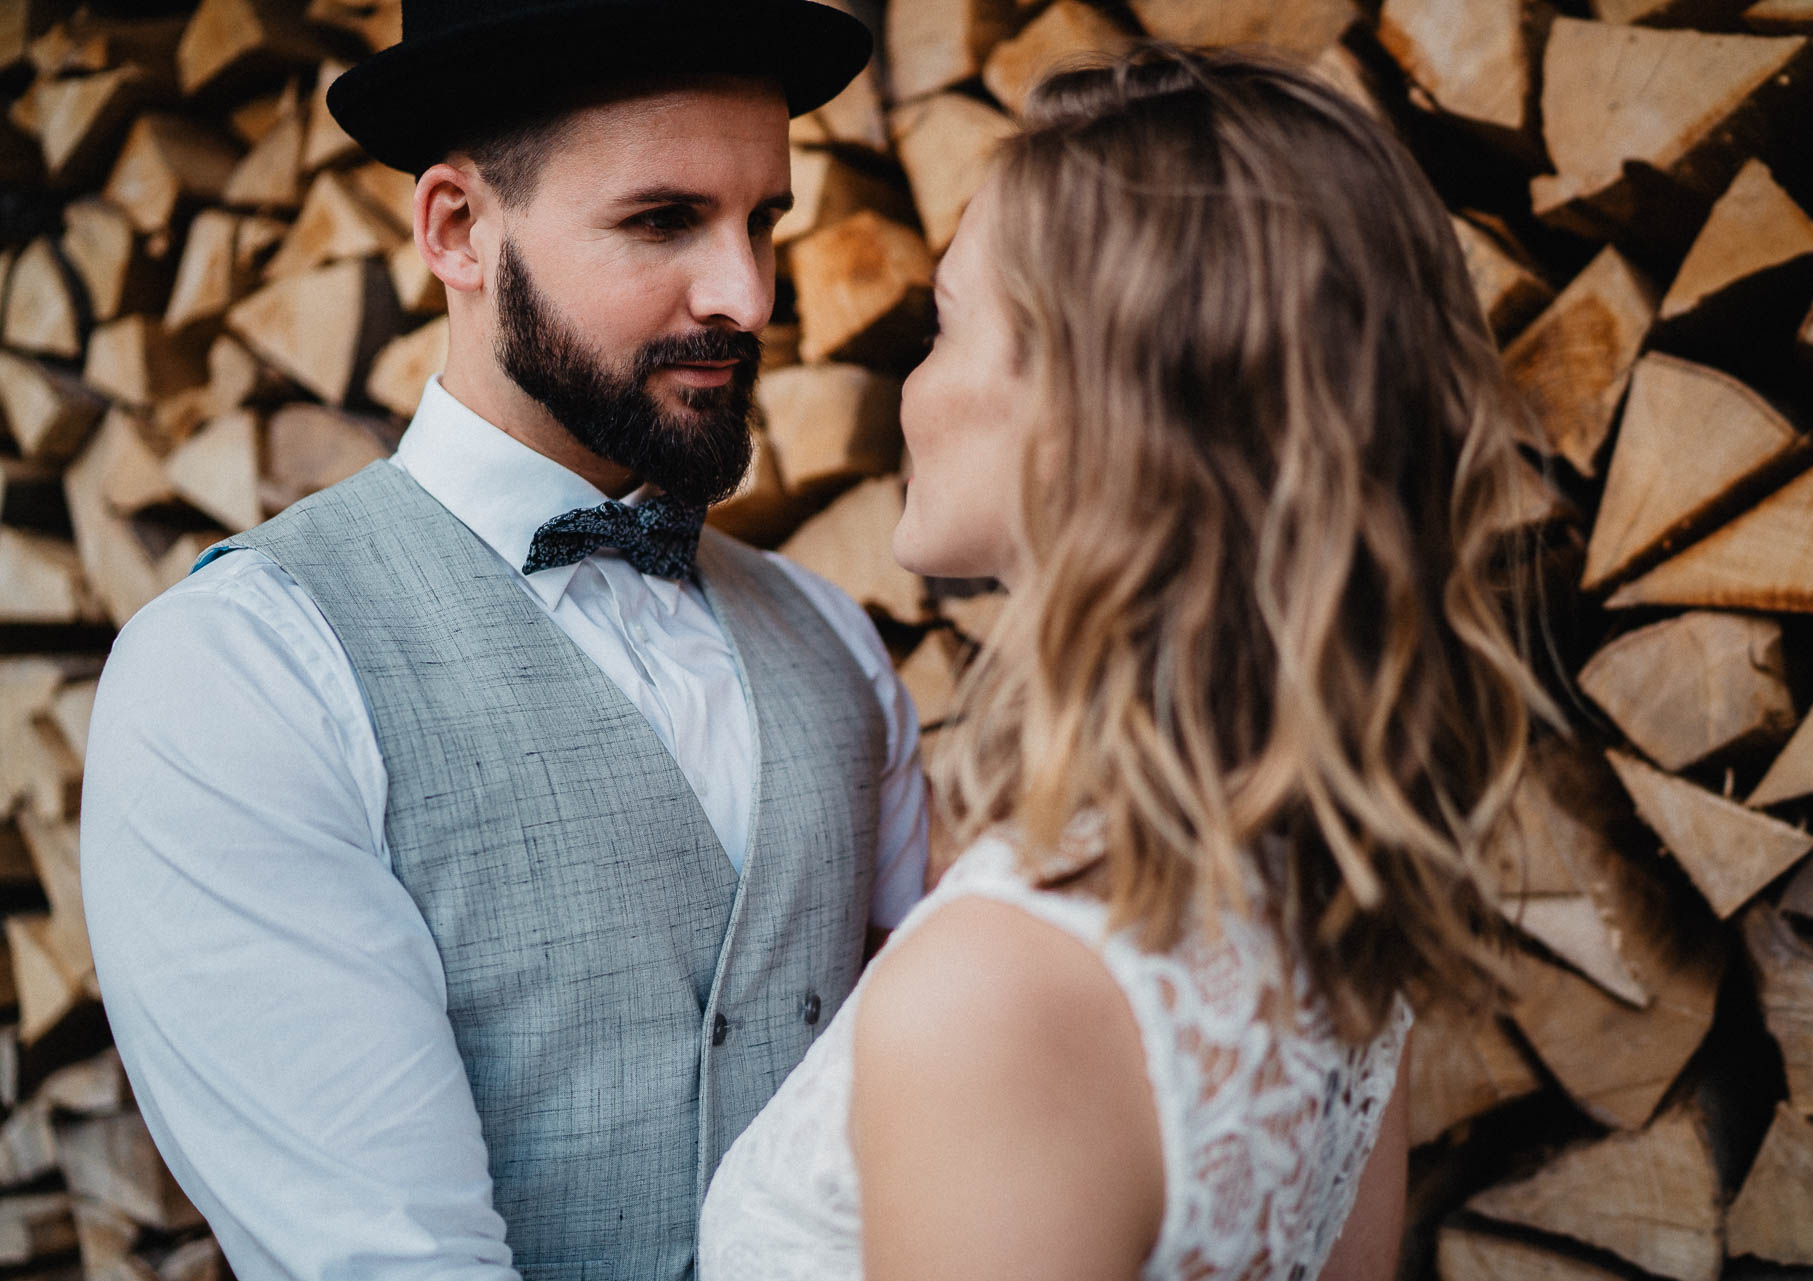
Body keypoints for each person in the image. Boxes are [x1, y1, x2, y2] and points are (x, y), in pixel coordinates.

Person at [78, 2, 928, 1277]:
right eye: (662, 221)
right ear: (459, 231)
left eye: (765, 221)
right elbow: (382, 1258)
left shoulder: (836, 641)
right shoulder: (243, 675)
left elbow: (932, 1122)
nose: (747, 296)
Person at [700, 46, 1555, 1281]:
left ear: (1089, 405)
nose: (912, 387)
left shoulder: (1002, 990)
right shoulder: (1327, 924)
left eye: (944, 327)